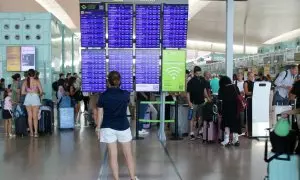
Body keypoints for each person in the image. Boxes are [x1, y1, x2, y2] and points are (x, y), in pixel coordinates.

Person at [97, 71, 139, 180]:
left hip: (107, 127)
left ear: (108, 82)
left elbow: (100, 114)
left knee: (113, 155)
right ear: (119, 81)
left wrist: (98, 128)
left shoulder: (103, 96)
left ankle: (116, 179)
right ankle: (132, 178)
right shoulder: (125, 94)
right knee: (128, 155)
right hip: (123, 126)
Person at [187, 66, 211, 140]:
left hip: (201, 102)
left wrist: (208, 98)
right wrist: (189, 102)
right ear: (194, 73)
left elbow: (204, 90)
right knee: (192, 118)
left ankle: (199, 132)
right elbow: (188, 93)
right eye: (197, 73)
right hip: (193, 102)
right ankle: (191, 133)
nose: (198, 75)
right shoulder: (191, 81)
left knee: (200, 117)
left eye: (199, 73)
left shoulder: (202, 79)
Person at [218, 76, 241, 146]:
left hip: (226, 109)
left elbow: (220, 100)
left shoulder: (222, 88)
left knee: (226, 124)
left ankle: (227, 140)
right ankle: (236, 140)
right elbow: (239, 95)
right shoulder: (235, 87)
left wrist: (220, 111)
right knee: (235, 123)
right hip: (235, 108)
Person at [22, 69, 43, 137]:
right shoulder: (37, 81)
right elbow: (41, 92)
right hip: (35, 99)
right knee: (35, 117)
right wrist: (36, 93)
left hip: (28, 98)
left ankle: (31, 133)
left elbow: (22, 92)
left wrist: (28, 92)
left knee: (29, 117)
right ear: (34, 74)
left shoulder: (25, 81)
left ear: (28, 74)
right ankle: (36, 133)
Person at [244, 72, 255, 136]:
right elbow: (246, 92)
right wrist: (254, 92)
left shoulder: (254, 83)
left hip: (253, 100)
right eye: (251, 76)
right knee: (247, 115)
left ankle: (251, 129)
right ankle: (246, 130)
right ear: (248, 76)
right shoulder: (246, 83)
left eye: (253, 76)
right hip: (248, 100)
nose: (252, 77)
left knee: (252, 115)